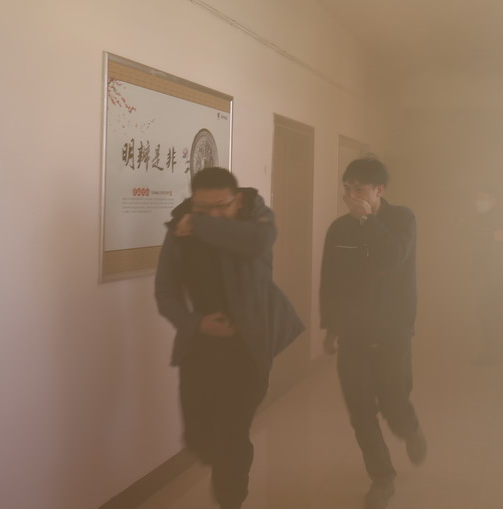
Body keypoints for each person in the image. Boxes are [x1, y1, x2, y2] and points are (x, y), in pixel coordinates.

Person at [154, 167, 304, 509]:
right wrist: (196, 324)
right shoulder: (179, 231)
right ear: (192, 202)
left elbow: (256, 243)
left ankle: (230, 500)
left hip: (249, 347)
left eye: (221, 206)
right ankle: (219, 456)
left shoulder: (257, 220)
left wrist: (197, 221)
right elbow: (165, 292)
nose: (213, 215)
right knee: (199, 436)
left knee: (231, 434)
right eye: (203, 208)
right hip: (200, 344)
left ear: (237, 200)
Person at [320, 157, 427, 509]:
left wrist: (367, 220)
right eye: (347, 188)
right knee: (361, 413)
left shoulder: (402, 219)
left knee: (394, 405)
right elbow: (331, 280)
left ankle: (409, 429)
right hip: (354, 334)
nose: (351, 194)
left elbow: (392, 257)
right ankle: (382, 477)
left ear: (379, 190)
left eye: (359, 188)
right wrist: (331, 327)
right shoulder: (339, 229)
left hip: (393, 332)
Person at [466, 184, 503, 364]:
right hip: (488, 274)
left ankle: (493, 352)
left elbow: (498, 252)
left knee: (485, 311)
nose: (478, 202)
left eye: (483, 198)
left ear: (494, 200)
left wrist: (488, 276)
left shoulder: (497, 221)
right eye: (477, 198)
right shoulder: (485, 219)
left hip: (492, 275)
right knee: (495, 310)